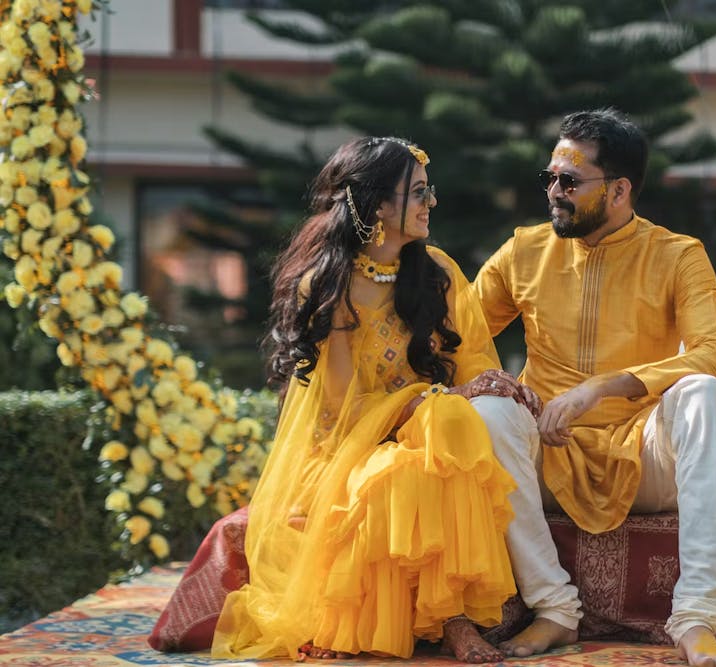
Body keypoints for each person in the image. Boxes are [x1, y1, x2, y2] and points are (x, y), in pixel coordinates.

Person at [212, 136, 540, 663]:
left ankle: (453, 619)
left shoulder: (438, 273)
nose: (431, 203)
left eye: (429, 191)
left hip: (431, 434)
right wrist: (432, 401)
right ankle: (425, 620)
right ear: (378, 206)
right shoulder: (329, 285)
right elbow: (341, 406)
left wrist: (475, 393)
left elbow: (476, 361)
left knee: (448, 430)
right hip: (347, 446)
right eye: (418, 193)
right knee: (415, 457)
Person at [473, 109, 716, 667]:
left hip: (642, 455)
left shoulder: (677, 255)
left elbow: (715, 355)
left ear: (619, 190)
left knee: (703, 393)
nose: (554, 192)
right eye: (550, 178)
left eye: (570, 182)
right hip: (548, 453)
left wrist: (603, 388)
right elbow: (457, 335)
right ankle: (554, 608)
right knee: (491, 414)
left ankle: (695, 620)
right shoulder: (523, 251)